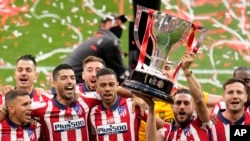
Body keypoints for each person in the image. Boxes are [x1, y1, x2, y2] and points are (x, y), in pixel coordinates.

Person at [31, 64, 146, 141]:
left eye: (72, 77)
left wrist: (134, 95)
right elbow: (18, 108)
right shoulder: (42, 106)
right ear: (54, 83)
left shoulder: (86, 99)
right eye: (64, 78)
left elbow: (110, 89)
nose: (69, 81)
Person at [138, 60, 222, 141]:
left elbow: (199, 100)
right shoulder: (166, 132)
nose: (182, 106)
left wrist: (186, 70)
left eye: (186, 103)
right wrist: (151, 107)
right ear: (172, 106)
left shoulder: (200, 124)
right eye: (178, 103)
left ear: (194, 107)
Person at [90, 67, 164, 141]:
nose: (107, 89)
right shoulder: (92, 113)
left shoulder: (133, 105)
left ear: (117, 85)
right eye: (103, 85)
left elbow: (165, 127)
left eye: (111, 84)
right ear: (96, 87)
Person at [63, 13, 129, 84]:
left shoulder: (96, 40)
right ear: (103, 25)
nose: (119, 26)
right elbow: (120, 73)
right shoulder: (109, 40)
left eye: (121, 24)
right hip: (74, 85)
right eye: (115, 22)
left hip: (65, 83)